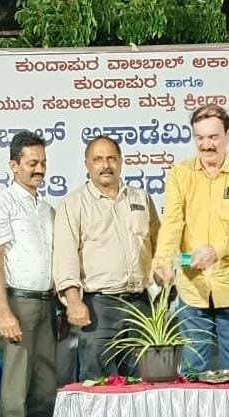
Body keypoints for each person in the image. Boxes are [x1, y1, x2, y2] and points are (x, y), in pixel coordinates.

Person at [153, 104, 229, 373]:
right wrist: (163, 261)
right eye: (200, 138)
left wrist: (218, 249)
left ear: (227, 135)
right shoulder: (180, 173)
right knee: (193, 372)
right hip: (193, 288)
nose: (206, 145)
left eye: (213, 137)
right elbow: (172, 223)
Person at [0, 131, 57, 417]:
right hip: (16, 304)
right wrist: (3, 310)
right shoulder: (0, 204)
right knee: (14, 389)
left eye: (42, 163)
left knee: (44, 388)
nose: (38, 169)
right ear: (13, 165)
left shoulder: (48, 209)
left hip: (47, 305)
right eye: (31, 163)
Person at [54, 135, 160, 380]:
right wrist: (73, 301)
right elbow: (65, 257)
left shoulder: (140, 198)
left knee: (143, 382)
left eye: (111, 158)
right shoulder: (73, 204)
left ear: (121, 161)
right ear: (87, 164)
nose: (106, 165)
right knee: (98, 384)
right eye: (98, 159)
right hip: (98, 308)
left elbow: (160, 246)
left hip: (140, 305)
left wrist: (171, 275)